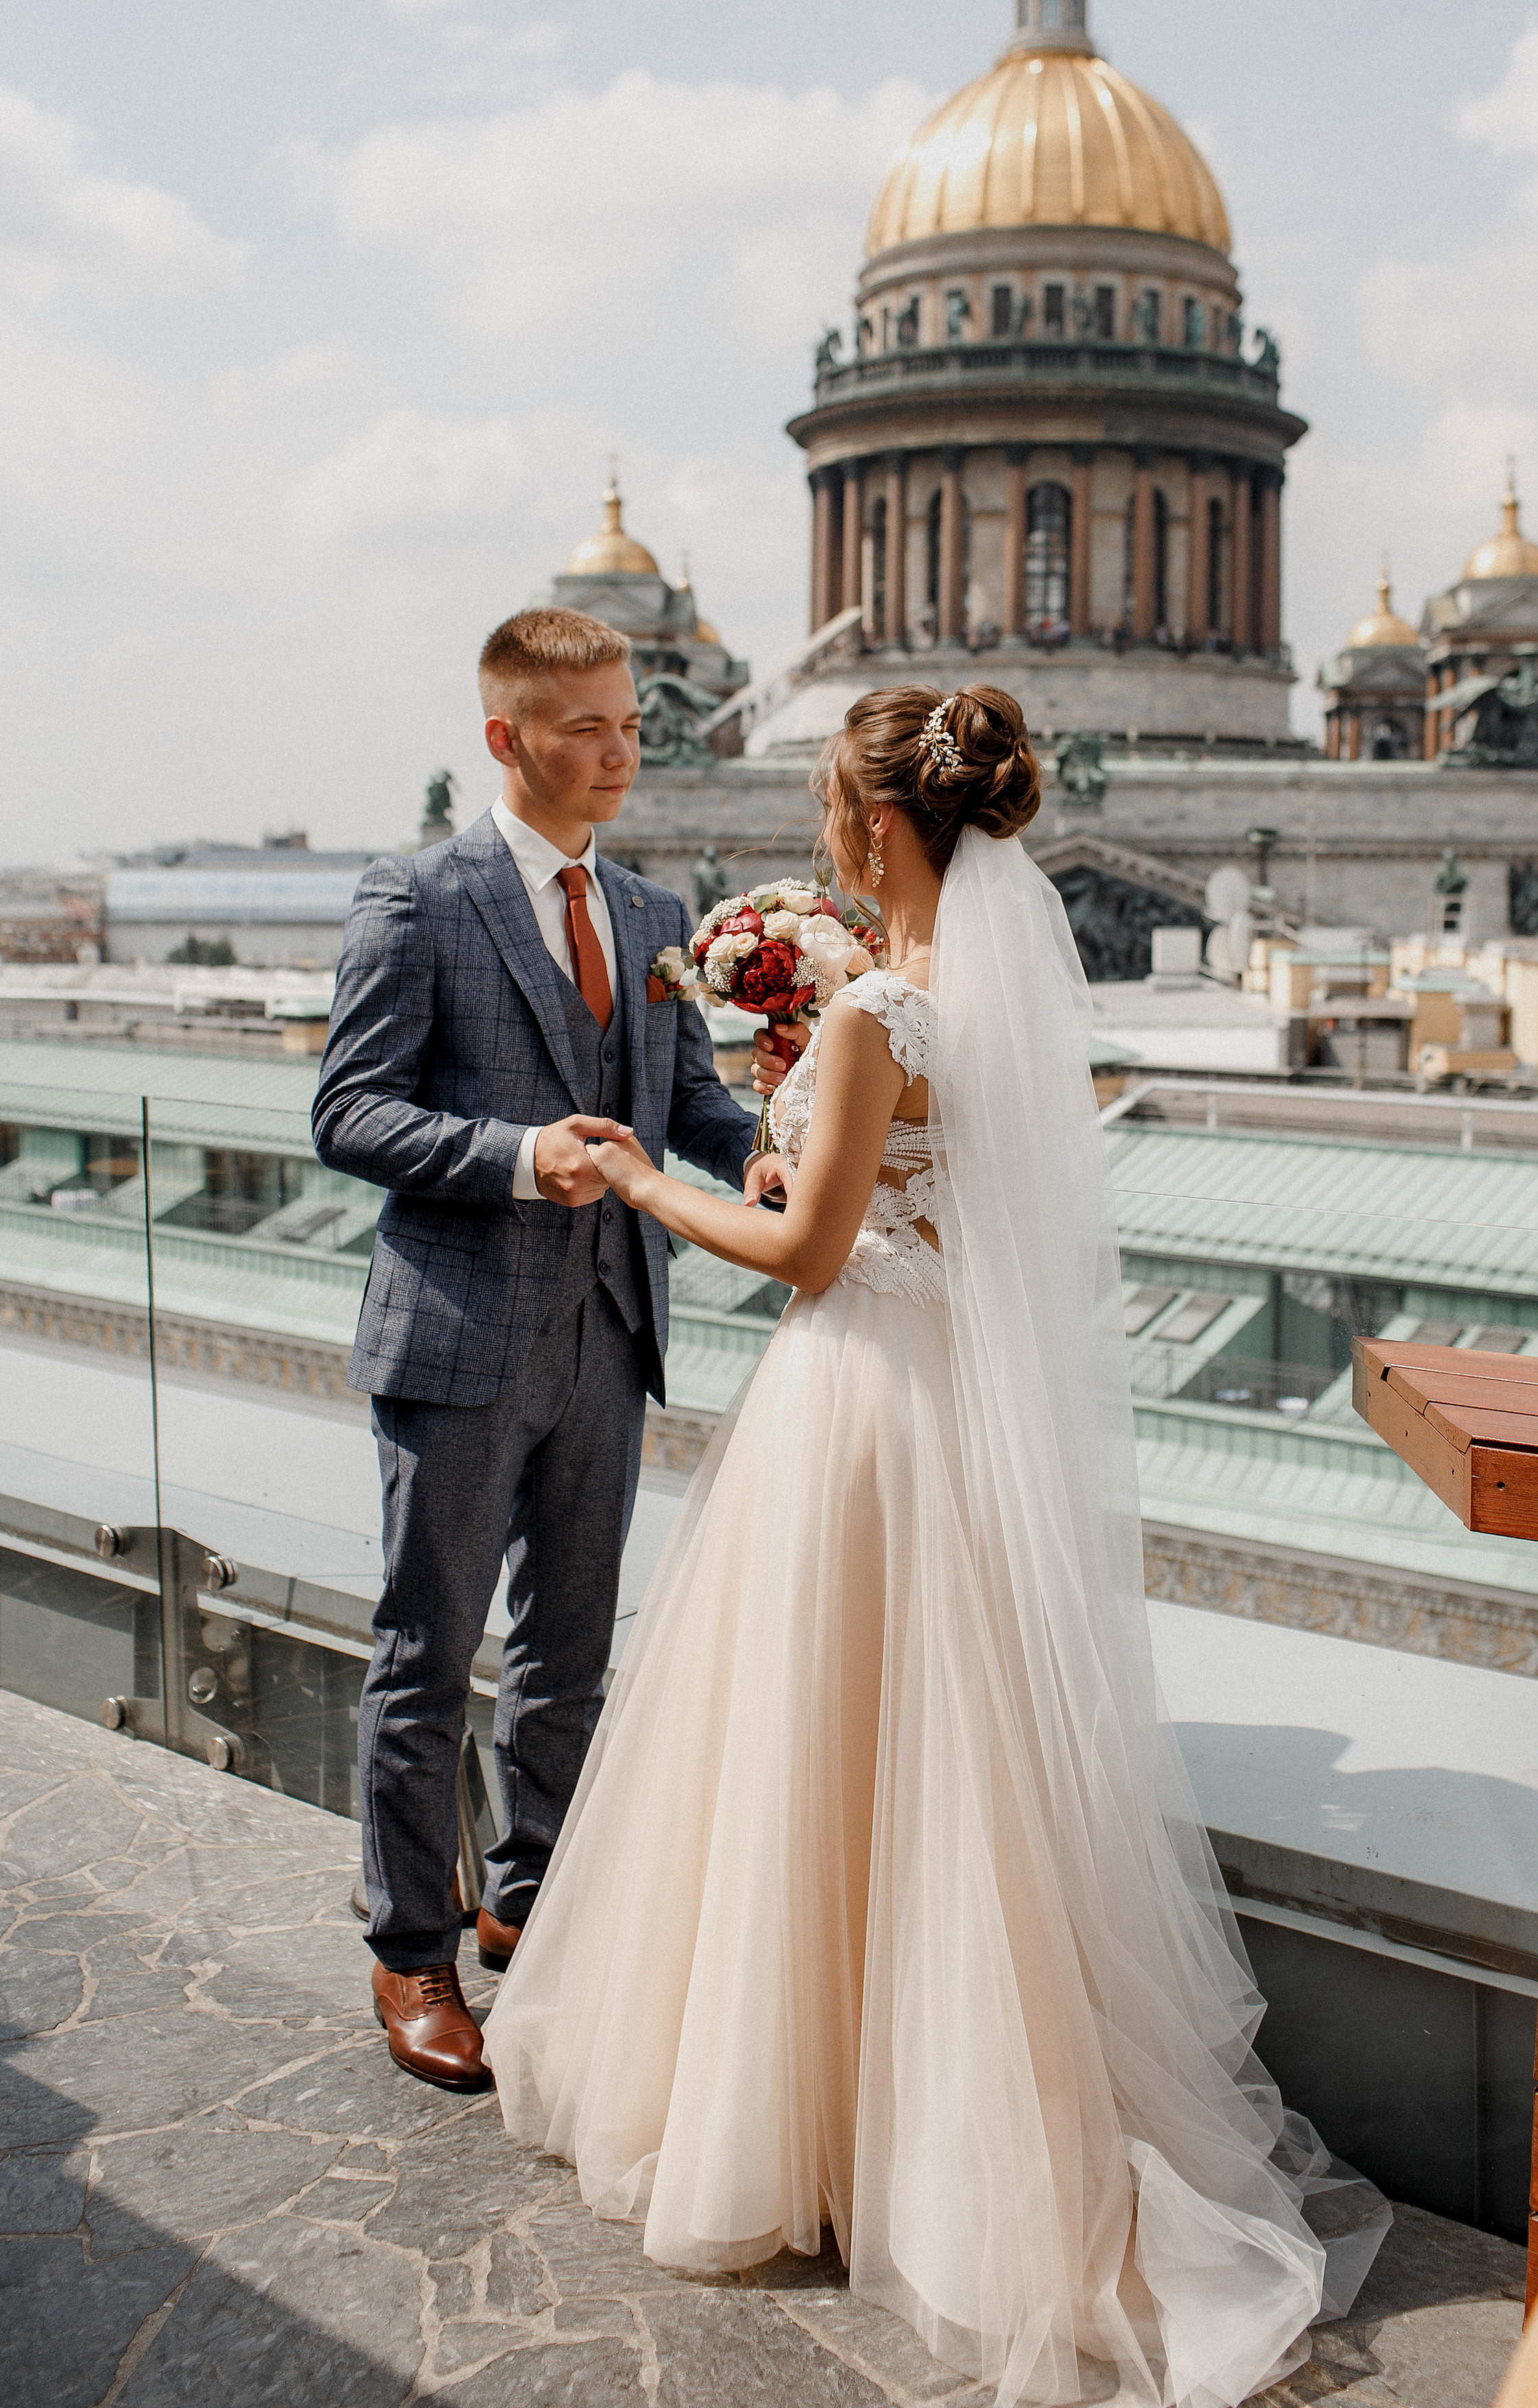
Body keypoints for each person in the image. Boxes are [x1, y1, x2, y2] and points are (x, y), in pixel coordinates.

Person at [483, 681, 1388, 2405]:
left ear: (878, 828)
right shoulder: (989, 1003)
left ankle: (795, 2121)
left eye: (840, 809)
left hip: (855, 1408)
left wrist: (639, 1177)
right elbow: (915, 1201)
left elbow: (807, 1255)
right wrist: (790, 1141)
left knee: (805, 1759)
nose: (830, 835)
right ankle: (925, 2133)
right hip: (949, 1405)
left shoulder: (874, 1005)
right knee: (938, 1774)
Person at [311, 607, 786, 2089]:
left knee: (571, 1656)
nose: (619, 751)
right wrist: (522, 1155)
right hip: (455, 1339)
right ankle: (409, 1954)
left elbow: (680, 1103)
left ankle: (531, 1903)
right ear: (504, 739)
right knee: (426, 1655)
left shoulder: (653, 917)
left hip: (608, 1336)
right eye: (584, 728)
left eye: (630, 723)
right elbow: (350, 1113)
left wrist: (768, 1149)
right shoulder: (416, 895)